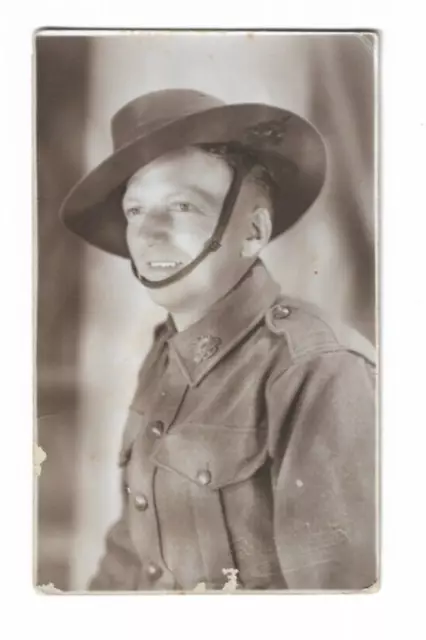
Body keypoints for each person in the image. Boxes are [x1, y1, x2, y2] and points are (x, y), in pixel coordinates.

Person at [59, 88, 377, 591]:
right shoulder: (164, 354)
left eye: (182, 206)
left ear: (252, 231)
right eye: (136, 210)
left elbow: (337, 605)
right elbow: (131, 552)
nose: (148, 233)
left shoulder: (316, 368)